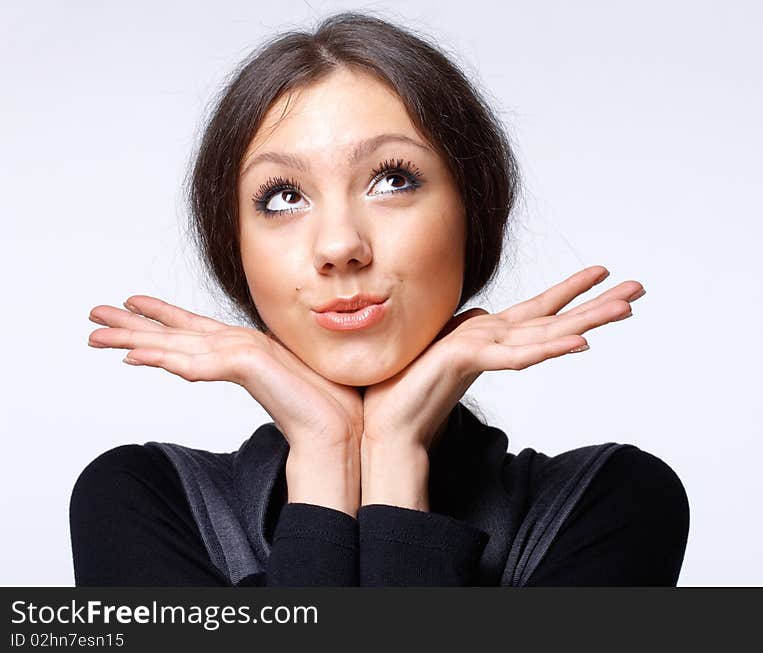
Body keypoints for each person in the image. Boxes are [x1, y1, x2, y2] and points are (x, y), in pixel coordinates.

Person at [71, 11, 689, 586]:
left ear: (473, 213)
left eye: (393, 180)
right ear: (234, 244)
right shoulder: (139, 500)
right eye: (283, 196)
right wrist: (324, 452)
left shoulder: (615, 501)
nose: (340, 246)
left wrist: (394, 455)